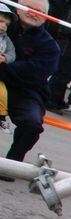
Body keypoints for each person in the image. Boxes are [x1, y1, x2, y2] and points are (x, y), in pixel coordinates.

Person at [0, 0, 59, 163]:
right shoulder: (5, 24)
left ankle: (13, 161)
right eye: (29, 8)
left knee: (32, 124)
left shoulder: (50, 46)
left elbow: (34, 73)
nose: (33, 13)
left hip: (27, 91)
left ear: (46, 17)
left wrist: (5, 65)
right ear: (18, 9)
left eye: (39, 11)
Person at [0, 5, 16, 133]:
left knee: (3, 93)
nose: (3, 26)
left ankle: (2, 116)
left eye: (6, 24)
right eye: (0, 21)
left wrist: (5, 58)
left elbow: (12, 54)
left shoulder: (7, 40)